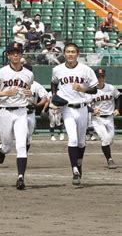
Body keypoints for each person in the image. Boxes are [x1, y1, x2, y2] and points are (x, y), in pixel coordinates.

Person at [0, 42, 34, 190]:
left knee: (21, 144)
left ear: (21, 55)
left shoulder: (28, 74)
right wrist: (5, 93)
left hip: (21, 111)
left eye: (18, 52)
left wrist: (29, 93)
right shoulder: (0, 73)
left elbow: (28, 90)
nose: (15, 55)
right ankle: (2, 149)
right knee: (8, 145)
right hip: (4, 111)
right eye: (12, 52)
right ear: (8, 55)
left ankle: (21, 178)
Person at [51, 43, 98, 185]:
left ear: (78, 54)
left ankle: (79, 162)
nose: (70, 54)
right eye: (67, 52)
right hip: (67, 109)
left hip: (83, 108)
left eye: (73, 52)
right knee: (72, 140)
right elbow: (54, 83)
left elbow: (94, 90)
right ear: (64, 53)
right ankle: (75, 171)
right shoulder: (57, 69)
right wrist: (54, 96)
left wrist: (83, 89)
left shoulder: (86, 70)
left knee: (82, 142)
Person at [90, 68, 119, 169]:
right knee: (105, 139)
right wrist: (92, 110)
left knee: (110, 139)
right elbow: (84, 104)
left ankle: (106, 148)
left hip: (110, 117)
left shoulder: (110, 88)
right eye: (98, 77)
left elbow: (119, 97)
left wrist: (118, 109)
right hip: (97, 119)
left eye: (102, 77)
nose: (100, 79)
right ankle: (110, 160)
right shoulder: (90, 91)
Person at [24, 65, 48, 152]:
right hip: (20, 112)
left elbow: (45, 98)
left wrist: (37, 105)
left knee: (29, 136)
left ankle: (24, 154)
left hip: (31, 113)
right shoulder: (17, 83)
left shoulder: (36, 85)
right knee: (24, 133)